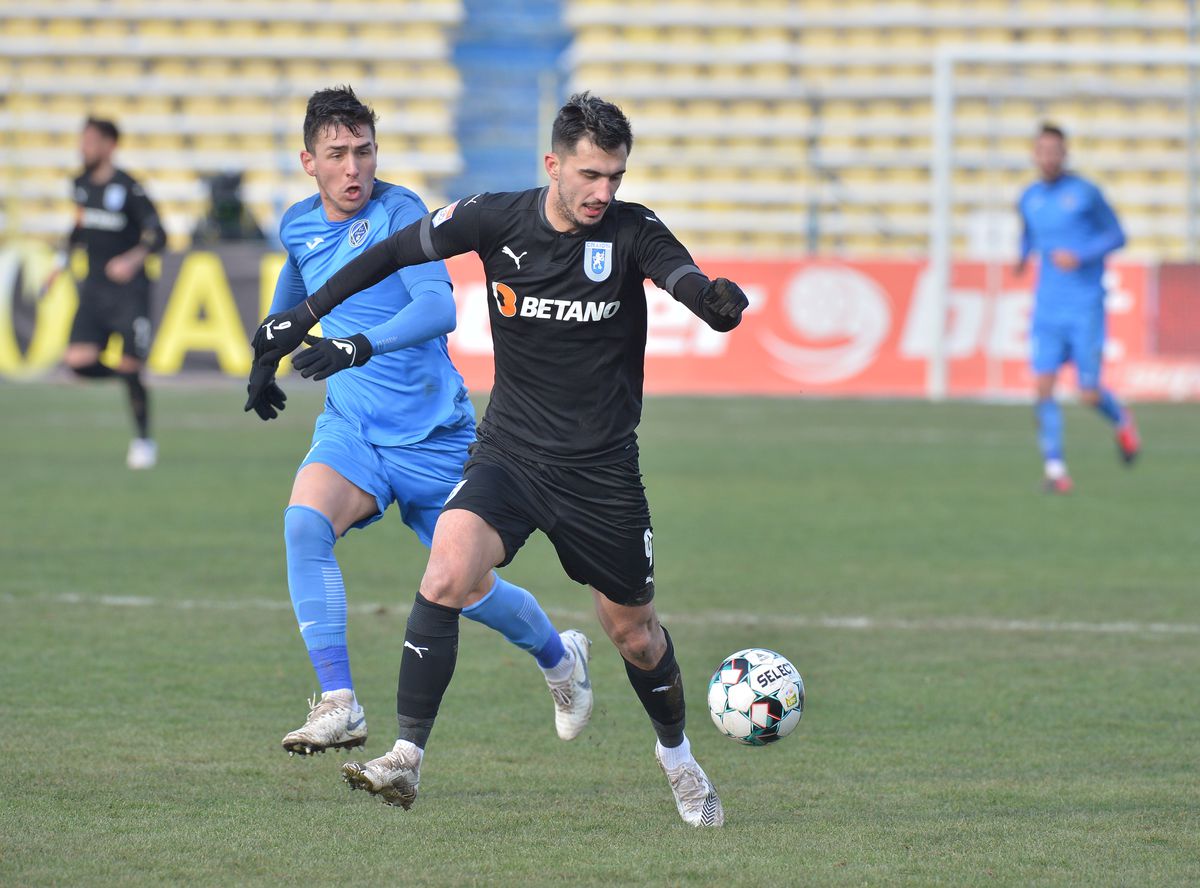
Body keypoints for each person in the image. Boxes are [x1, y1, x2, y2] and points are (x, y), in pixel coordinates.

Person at [250, 92, 749, 827]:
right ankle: (405, 758)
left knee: (635, 635)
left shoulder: (632, 228)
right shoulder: (494, 218)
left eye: (613, 175)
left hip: (600, 473)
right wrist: (306, 314)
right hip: (510, 454)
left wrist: (710, 299)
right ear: (553, 164)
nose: (601, 191)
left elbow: (680, 275)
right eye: (588, 174)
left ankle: (676, 755)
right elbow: (390, 251)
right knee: (448, 567)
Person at [246, 86, 592, 758]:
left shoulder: (401, 214)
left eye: (364, 152)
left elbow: (440, 309)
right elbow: (295, 290)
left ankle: (560, 658)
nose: (353, 168)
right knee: (303, 524)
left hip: (435, 436)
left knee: (467, 589)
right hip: (353, 427)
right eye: (337, 154)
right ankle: (340, 702)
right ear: (308, 161)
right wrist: (266, 357)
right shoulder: (297, 223)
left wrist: (355, 345)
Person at [1016, 123, 1140, 493]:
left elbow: (1118, 235)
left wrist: (1083, 255)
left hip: (1084, 305)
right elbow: (1028, 234)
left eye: (1055, 150)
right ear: (1035, 155)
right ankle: (1056, 471)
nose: (1049, 157)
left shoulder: (1086, 193)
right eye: (1043, 151)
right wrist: (1021, 258)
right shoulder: (1029, 197)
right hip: (1047, 307)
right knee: (1042, 386)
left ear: (1065, 154)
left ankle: (1122, 419)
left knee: (1088, 393)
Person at [63, 117, 166, 469]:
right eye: (82, 140)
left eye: (90, 141)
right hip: (93, 291)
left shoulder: (130, 188)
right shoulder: (79, 185)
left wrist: (132, 259)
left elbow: (158, 234)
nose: (83, 147)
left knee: (131, 363)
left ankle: (143, 441)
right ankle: (127, 376)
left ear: (109, 145)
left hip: (128, 294)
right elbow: (79, 226)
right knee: (77, 361)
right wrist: (60, 262)